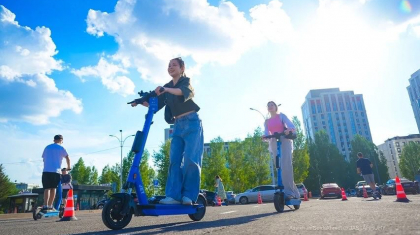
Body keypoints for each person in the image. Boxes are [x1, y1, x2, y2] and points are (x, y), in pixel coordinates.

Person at [131, 57, 203, 205]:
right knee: (174, 160)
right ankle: (173, 196)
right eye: (169, 65)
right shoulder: (167, 87)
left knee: (191, 159)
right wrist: (139, 101)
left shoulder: (185, 82)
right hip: (177, 125)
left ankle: (189, 195)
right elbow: (154, 102)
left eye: (174, 65)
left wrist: (165, 90)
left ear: (182, 68)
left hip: (192, 122)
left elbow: (182, 92)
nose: (170, 67)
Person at [262, 101, 300, 199]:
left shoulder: (282, 116)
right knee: (279, 167)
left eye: (272, 105)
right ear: (267, 108)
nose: (270, 107)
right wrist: (265, 136)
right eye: (268, 105)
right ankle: (294, 192)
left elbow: (292, 126)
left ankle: (290, 193)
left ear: (275, 107)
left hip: (284, 140)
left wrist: (288, 130)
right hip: (274, 141)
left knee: (286, 166)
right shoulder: (267, 121)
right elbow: (266, 132)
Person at [41, 135, 71, 211]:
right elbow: (67, 157)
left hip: (46, 171)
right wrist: (68, 167)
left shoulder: (47, 147)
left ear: (54, 140)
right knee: (53, 188)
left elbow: (44, 159)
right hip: (55, 171)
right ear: (61, 140)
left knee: (46, 188)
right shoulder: (61, 148)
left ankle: (45, 205)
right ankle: (50, 206)